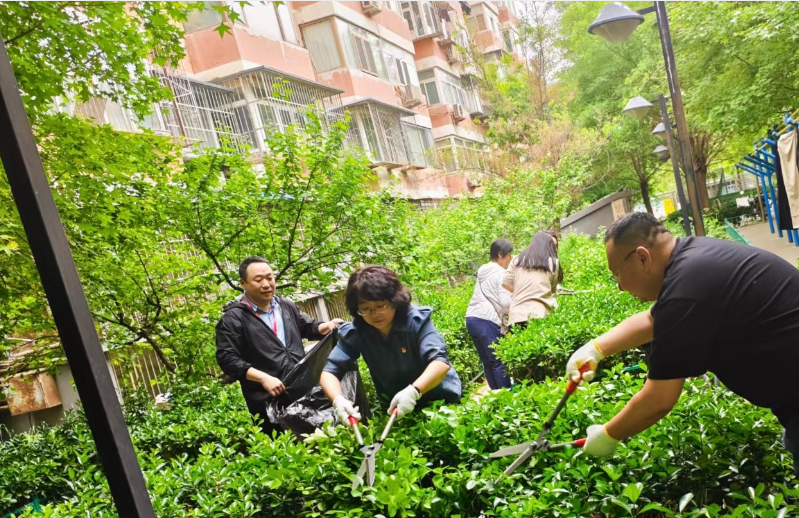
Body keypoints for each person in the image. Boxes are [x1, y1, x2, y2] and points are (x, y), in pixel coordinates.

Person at [565, 212, 799, 477]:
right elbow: (654, 319)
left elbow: (658, 399)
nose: (619, 286)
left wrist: (608, 435)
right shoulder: (693, 259)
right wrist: (596, 348)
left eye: (616, 273)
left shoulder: (687, 289)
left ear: (642, 257)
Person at [215, 256, 343, 435]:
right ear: (243, 283)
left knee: (317, 443)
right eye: (258, 280)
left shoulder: (284, 305)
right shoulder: (234, 318)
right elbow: (227, 359)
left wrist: (326, 326)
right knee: (287, 453)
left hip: (302, 393)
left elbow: (306, 326)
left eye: (270, 278)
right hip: (267, 402)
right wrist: (263, 378)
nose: (267, 284)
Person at [320, 266, 462, 424]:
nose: (374, 314)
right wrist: (338, 401)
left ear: (395, 300)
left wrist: (414, 391)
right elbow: (329, 373)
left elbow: (440, 363)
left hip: (441, 404)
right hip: (397, 412)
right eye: (365, 309)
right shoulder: (359, 332)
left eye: (380, 306)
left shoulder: (415, 321)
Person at [465, 238, 514, 390]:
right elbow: (506, 303)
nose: (510, 259)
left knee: (488, 362)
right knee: (499, 361)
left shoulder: (484, 271)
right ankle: (508, 400)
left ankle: (496, 399)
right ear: (500, 255)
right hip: (487, 320)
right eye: (509, 255)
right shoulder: (500, 273)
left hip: (472, 318)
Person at [502, 231, 561, 329]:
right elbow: (552, 289)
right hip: (540, 313)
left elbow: (505, 283)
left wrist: (521, 291)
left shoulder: (517, 259)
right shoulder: (553, 262)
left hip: (517, 315)